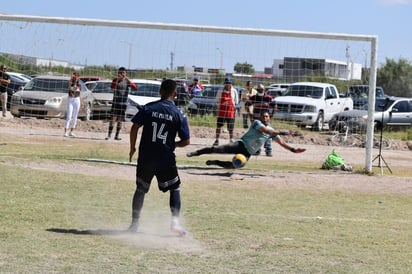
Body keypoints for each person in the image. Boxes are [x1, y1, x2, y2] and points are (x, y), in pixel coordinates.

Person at [128, 79, 191, 235]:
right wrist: (174, 145)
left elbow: (134, 127)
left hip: (146, 157)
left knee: (141, 189)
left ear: (160, 91)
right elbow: (186, 141)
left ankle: (135, 224)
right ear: (175, 94)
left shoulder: (148, 108)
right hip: (165, 158)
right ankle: (175, 223)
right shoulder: (178, 113)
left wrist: (132, 148)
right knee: (174, 188)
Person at [187, 110, 305, 168]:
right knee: (216, 148)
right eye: (263, 116)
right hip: (241, 144)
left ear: (270, 118)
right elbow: (268, 131)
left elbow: (282, 142)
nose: (265, 117)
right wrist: (286, 131)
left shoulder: (272, 129)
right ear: (260, 117)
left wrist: (293, 150)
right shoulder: (257, 123)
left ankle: (215, 162)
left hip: (248, 152)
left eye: (267, 116)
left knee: (236, 166)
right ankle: (196, 153)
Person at [105, 67, 137, 140]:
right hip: (115, 102)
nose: (122, 74)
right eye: (120, 73)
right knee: (112, 119)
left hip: (123, 103)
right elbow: (112, 87)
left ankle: (117, 135)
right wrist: (117, 80)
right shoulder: (115, 80)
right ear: (118, 73)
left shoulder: (127, 81)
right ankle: (109, 135)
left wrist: (128, 79)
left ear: (125, 74)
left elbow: (135, 87)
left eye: (123, 73)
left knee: (120, 120)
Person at [245, 84, 275, 156]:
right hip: (256, 119)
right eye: (259, 90)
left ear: (264, 90)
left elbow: (275, 106)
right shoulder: (253, 98)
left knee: (267, 134)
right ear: (257, 90)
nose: (260, 91)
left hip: (265, 120)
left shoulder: (268, 98)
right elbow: (246, 105)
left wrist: (271, 115)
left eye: (262, 90)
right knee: (256, 134)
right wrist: (250, 114)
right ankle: (257, 150)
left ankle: (268, 150)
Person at [213, 77, 239, 146]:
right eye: (226, 83)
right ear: (224, 84)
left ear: (231, 84)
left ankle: (231, 140)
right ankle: (217, 140)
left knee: (231, 128)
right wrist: (219, 107)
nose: (228, 85)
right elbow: (217, 100)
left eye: (229, 83)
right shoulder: (220, 90)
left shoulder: (234, 91)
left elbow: (236, 102)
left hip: (230, 112)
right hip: (221, 111)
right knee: (218, 126)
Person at [64, 72, 81, 137]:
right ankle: (65, 131)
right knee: (69, 116)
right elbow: (69, 87)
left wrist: (80, 101)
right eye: (75, 76)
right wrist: (71, 79)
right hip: (70, 99)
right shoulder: (70, 83)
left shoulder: (79, 84)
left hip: (77, 99)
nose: (76, 77)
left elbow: (79, 92)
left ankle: (72, 131)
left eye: (77, 76)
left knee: (75, 116)